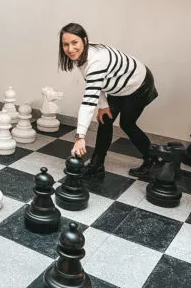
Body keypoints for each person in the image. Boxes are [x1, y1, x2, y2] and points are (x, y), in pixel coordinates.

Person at [59, 23, 158, 178]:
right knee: (105, 119)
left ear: (85, 40)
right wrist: (103, 106)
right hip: (118, 85)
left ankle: (151, 158)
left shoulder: (95, 61)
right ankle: (97, 164)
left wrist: (80, 137)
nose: (70, 49)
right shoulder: (81, 55)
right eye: (65, 44)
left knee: (127, 123)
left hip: (139, 83)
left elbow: (88, 102)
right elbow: (95, 83)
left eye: (74, 42)